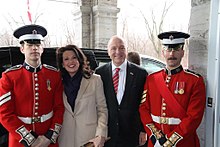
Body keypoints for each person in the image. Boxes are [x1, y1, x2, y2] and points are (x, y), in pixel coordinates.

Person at [0, 24, 64, 147]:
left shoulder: (54, 75)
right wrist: (29, 139)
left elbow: (59, 108)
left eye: (38, 44)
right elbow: (5, 114)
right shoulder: (9, 77)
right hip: (20, 140)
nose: (34, 48)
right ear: (22, 49)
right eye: (29, 45)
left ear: (42, 48)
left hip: (48, 139)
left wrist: (50, 136)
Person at [139, 31, 206, 147]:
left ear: (182, 52)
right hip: (156, 142)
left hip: (183, 142)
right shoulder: (152, 79)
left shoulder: (195, 81)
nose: (172, 54)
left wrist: (171, 141)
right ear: (163, 52)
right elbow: (144, 108)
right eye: (168, 50)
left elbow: (194, 117)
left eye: (176, 49)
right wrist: (155, 136)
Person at [95, 35, 148, 147]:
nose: (118, 52)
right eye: (113, 48)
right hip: (108, 135)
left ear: (126, 50)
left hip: (132, 134)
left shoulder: (140, 74)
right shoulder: (100, 73)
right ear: (108, 52)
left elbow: (145, 104)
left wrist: (143, 129)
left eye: (122, 48)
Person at [56, 45, 108, 147]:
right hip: (64, 138)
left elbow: (102, 109)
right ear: (62, 64)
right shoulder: (57, 82)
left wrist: (100, 134)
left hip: (89, 139)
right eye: (66, 59)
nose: (71, 62)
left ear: (79, 60)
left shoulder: (95, 80)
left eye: (74, 58)